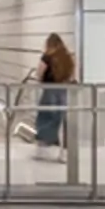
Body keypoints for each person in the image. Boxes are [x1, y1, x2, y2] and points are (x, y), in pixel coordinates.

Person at [33, 32, 74, 160]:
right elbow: (72, 74)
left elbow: (39, 72)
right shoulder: (67, 56)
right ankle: (64, 152)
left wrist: (39, 81)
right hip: (64, 90)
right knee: (62, 118)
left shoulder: (47, 56)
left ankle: (44, 147)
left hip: (49, 89)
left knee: (45, 116)